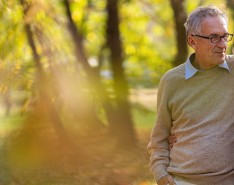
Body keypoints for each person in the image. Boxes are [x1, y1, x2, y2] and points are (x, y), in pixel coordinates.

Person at [147, 5, 234, 185]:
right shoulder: (171, 81)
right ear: (192, 41)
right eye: (213, 37)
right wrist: (160, 174)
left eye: (225, 36)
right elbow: (159, 138)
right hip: (181, 180)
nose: (223, 44)